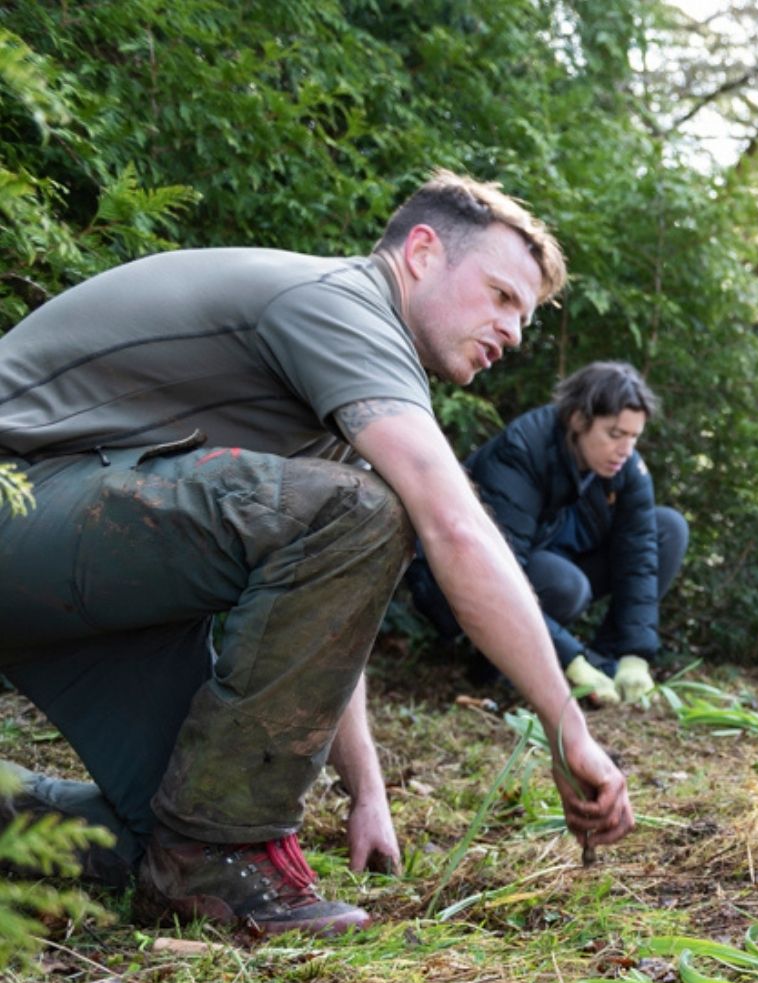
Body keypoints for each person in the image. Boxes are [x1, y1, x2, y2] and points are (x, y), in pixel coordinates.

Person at [0, 171, 634, 937]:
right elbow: (449, 526)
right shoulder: (338, 305)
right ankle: (223, 848)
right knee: (365, 511)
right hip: (22, 508)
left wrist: (366, 790)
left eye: (526, 316)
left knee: (166, 830)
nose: (516, 331)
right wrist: (568, 726)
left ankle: (163, 842)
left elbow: (326, 612)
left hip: (71, 561)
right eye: (502, 296)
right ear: (423, 253)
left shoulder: (334, 395)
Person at [407, 361, 687, 707]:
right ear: (578, 420)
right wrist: (573, 661)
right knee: (566, 585)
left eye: (634, 437)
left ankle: (607, 665)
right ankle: (496, 661)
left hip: (550, 557)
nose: (625, 450)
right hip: (474, 582)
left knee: (667, 530)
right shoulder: (522, 450)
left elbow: (639, 556)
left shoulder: (625, 467)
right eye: (615, 434)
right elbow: (499, 573)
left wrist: (635, 655)